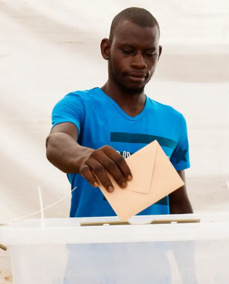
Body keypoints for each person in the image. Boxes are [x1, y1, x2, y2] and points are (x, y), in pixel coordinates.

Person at [46, 6, 193, 218]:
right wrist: (83, 155)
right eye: (128, 51)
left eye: (149, 53)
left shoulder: (174, 121)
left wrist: (189, 250)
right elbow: (56, 142)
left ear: (158, 53)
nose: (139, 63)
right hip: (90, 250)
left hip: (154, 251)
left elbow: (179, 204)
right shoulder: (80, 105)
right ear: (107, 49)